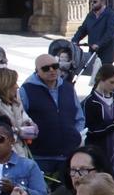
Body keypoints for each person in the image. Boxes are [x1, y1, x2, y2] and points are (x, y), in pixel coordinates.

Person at [22, 52, 81, 184]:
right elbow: (21, 118)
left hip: (67, 153)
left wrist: (75, 135)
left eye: (55, 66)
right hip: (40, 155)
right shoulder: (27, 90)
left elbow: (79, 116)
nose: (52, 70)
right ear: (37, 71)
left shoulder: (68, 88)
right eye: (46, 68)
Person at [80, 64, 114, 190]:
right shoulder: (90, 101)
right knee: (102, 192)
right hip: (100, 154)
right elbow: (91, 130)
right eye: (112, 82)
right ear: (101, 80)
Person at [72, 0, 114, 75]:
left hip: (106, 53)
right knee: (95, 76)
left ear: (102, 2)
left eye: (95, 1)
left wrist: (99, 44)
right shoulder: (90, 15)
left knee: (104, 76)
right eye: (91, 2)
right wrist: (75, 40)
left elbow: (110, 33)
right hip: (93, 51)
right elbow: (83, 29)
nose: (92, 4)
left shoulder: (110, 15)